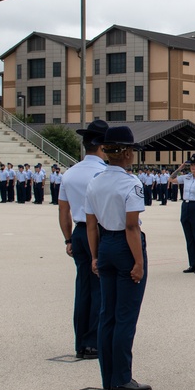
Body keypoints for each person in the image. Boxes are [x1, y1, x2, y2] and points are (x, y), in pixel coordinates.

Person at [84, 126, 150, 390]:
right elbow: (132, 227)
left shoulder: (95, 182)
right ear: (125, 153)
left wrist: (95, 256)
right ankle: (122, 378)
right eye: (131, 150)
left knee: (107, 314)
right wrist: (139, 263)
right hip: (125, 246)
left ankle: (108, 377)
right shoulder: (130, 183)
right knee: (125, 316)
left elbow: (91, 226)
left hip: (105, 243)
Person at [58, 119, 109, 359]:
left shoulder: (69, 173)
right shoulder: (103, 173)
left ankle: (81, 341)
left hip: (78, 231)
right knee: (101, 288)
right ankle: (94, 342)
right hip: (98, 231)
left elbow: (63, 211)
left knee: (83, 288)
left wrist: (68, 239)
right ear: (102, 146)